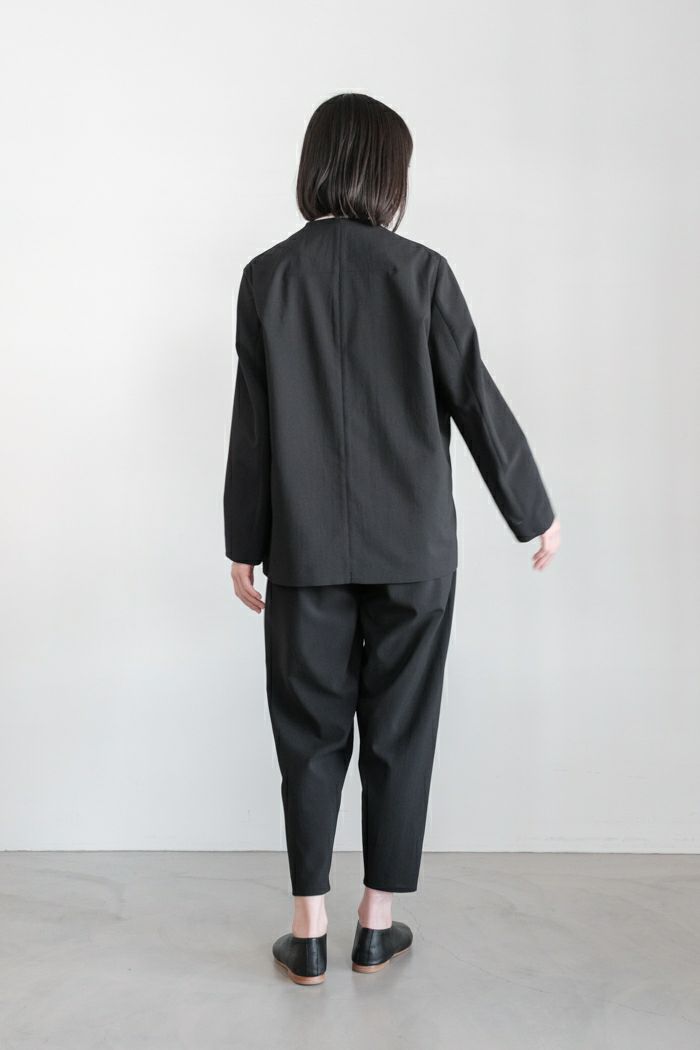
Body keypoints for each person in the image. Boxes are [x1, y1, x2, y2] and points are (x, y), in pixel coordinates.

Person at [223, 92, 560, 986]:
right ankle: (376, 924)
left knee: (307, 731)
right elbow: (474, 396)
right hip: (414, 548)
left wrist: (242, 541)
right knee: (400, 731)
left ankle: (308, 930)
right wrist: (532, 510)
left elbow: (252, 425)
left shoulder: (266, 277)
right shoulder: (423, 273)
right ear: (388, 174)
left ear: (315, 165)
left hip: (303, 547)